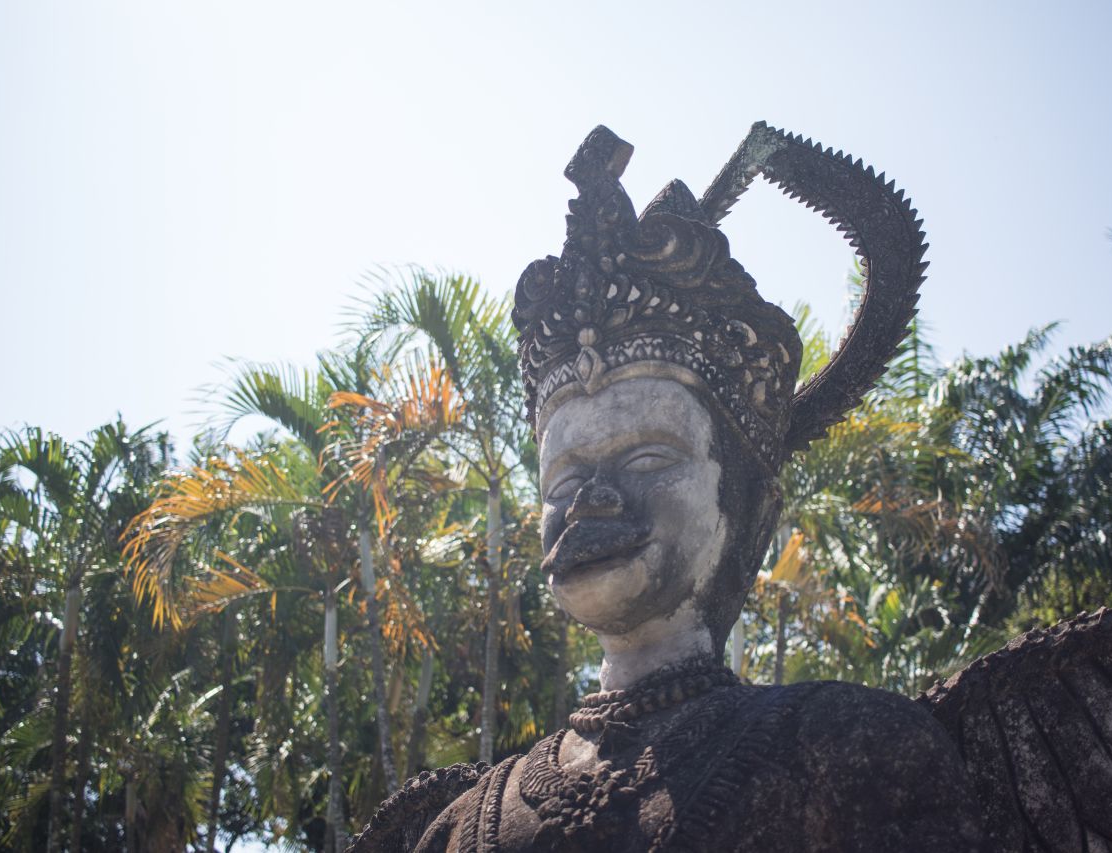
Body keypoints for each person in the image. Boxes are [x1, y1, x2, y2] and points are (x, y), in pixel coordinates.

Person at [347, 124, 985, 852]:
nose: (591, 499)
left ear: (752, 517)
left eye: (648, 457)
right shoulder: (460, 824)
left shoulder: (845, 750)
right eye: (564, 478)